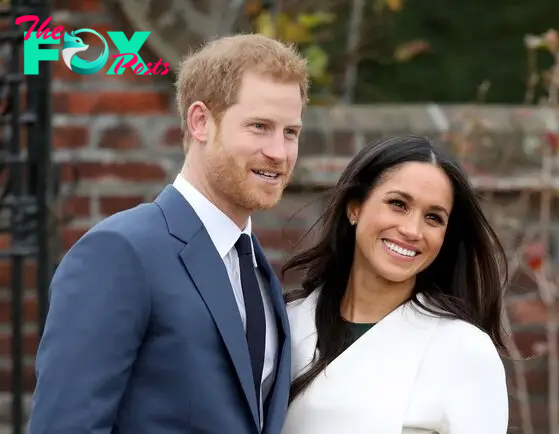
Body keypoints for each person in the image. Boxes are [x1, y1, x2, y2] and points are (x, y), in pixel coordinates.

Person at [28, 34, 309, 434]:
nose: (279, 152)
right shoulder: (120, 252)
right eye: (259, 127)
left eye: (291, 132)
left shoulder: (258, 270)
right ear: (200, 122)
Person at [280, 135, 509, 434]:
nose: (412, 230)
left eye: (433, 218)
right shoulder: (285, 324)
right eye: (398, 204)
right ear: (355, 208)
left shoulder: (463, 350)